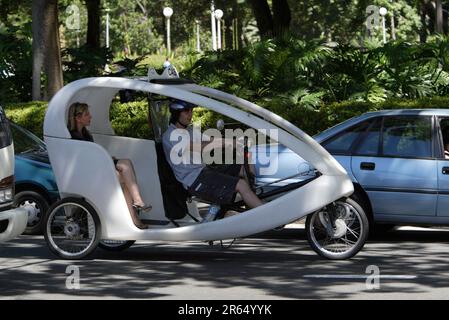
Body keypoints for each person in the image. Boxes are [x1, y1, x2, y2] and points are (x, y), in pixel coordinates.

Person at [162, 99, 263, 210]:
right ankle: (268, 215)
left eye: (191, 111)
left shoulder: (190, 131)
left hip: (204, 172)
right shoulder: (170, 135)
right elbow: (200, 146)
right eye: (186, 111)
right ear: (176, 114)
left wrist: (235, 142)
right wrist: (228, 143)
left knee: (245, 167)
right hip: (194, 181)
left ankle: (252, 206)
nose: (190, 114)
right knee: (241, 185)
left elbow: (211, 139)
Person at [68, 102, 152, 229]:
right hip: (90, 175)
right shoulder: (74, 137)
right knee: (125, 165)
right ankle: (137, 203)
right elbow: (86, 160)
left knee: (125, 176)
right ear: (78, 118)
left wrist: (107, 159)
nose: (90, 117)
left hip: (96, 169)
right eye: (87, 114)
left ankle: (134, 216)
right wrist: (106, 159)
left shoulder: (85, 134)